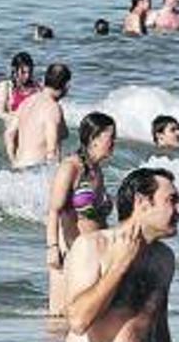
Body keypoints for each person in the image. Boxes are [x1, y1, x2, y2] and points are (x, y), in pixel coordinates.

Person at [63, 167, 179, 342]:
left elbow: (160, 327)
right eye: (171, 200)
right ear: (141, 202)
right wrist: (120, 265)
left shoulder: (164, 258)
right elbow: (78, 321)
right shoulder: (92, 247)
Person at [47, 112, 116, 316]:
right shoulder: (70, 167)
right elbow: (53, 210)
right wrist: (52, 248)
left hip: (96, 255)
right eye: (110, 137)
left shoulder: (96, 170)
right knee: (61, 320)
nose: (114, 142)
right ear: (93, 138)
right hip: (71, 253)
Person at [5, 63, 71, 168]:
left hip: (19, 166)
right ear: (66, 85)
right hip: (36, 169)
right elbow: (52, 149)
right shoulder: (52, 108)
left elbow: (9, 133)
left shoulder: (26, 102)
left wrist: (13, 161)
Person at [0, 52, 41, 120]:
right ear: (14, 71)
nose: (27, 76)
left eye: (30, 72)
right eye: (23, 72)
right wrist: (18, 119)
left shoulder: (38, 87)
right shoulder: (5, 87)